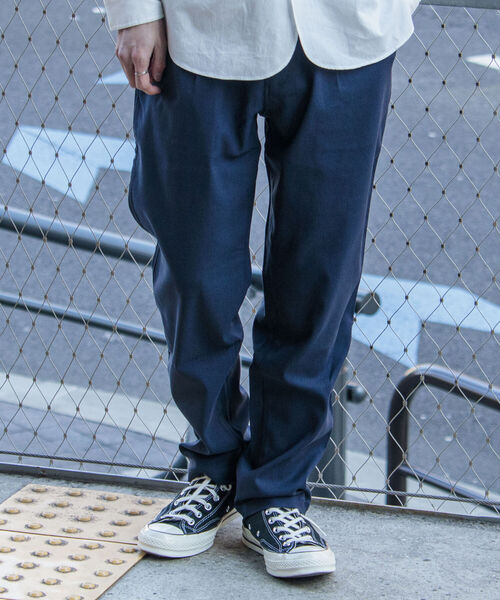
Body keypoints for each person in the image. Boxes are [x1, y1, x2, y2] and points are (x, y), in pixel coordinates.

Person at [103, 0, 420, 579]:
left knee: (319, 273)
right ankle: (213, 465)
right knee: (194, 267)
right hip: (196, 30)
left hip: (349, 30)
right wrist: (133, 10)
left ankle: (277, 491)